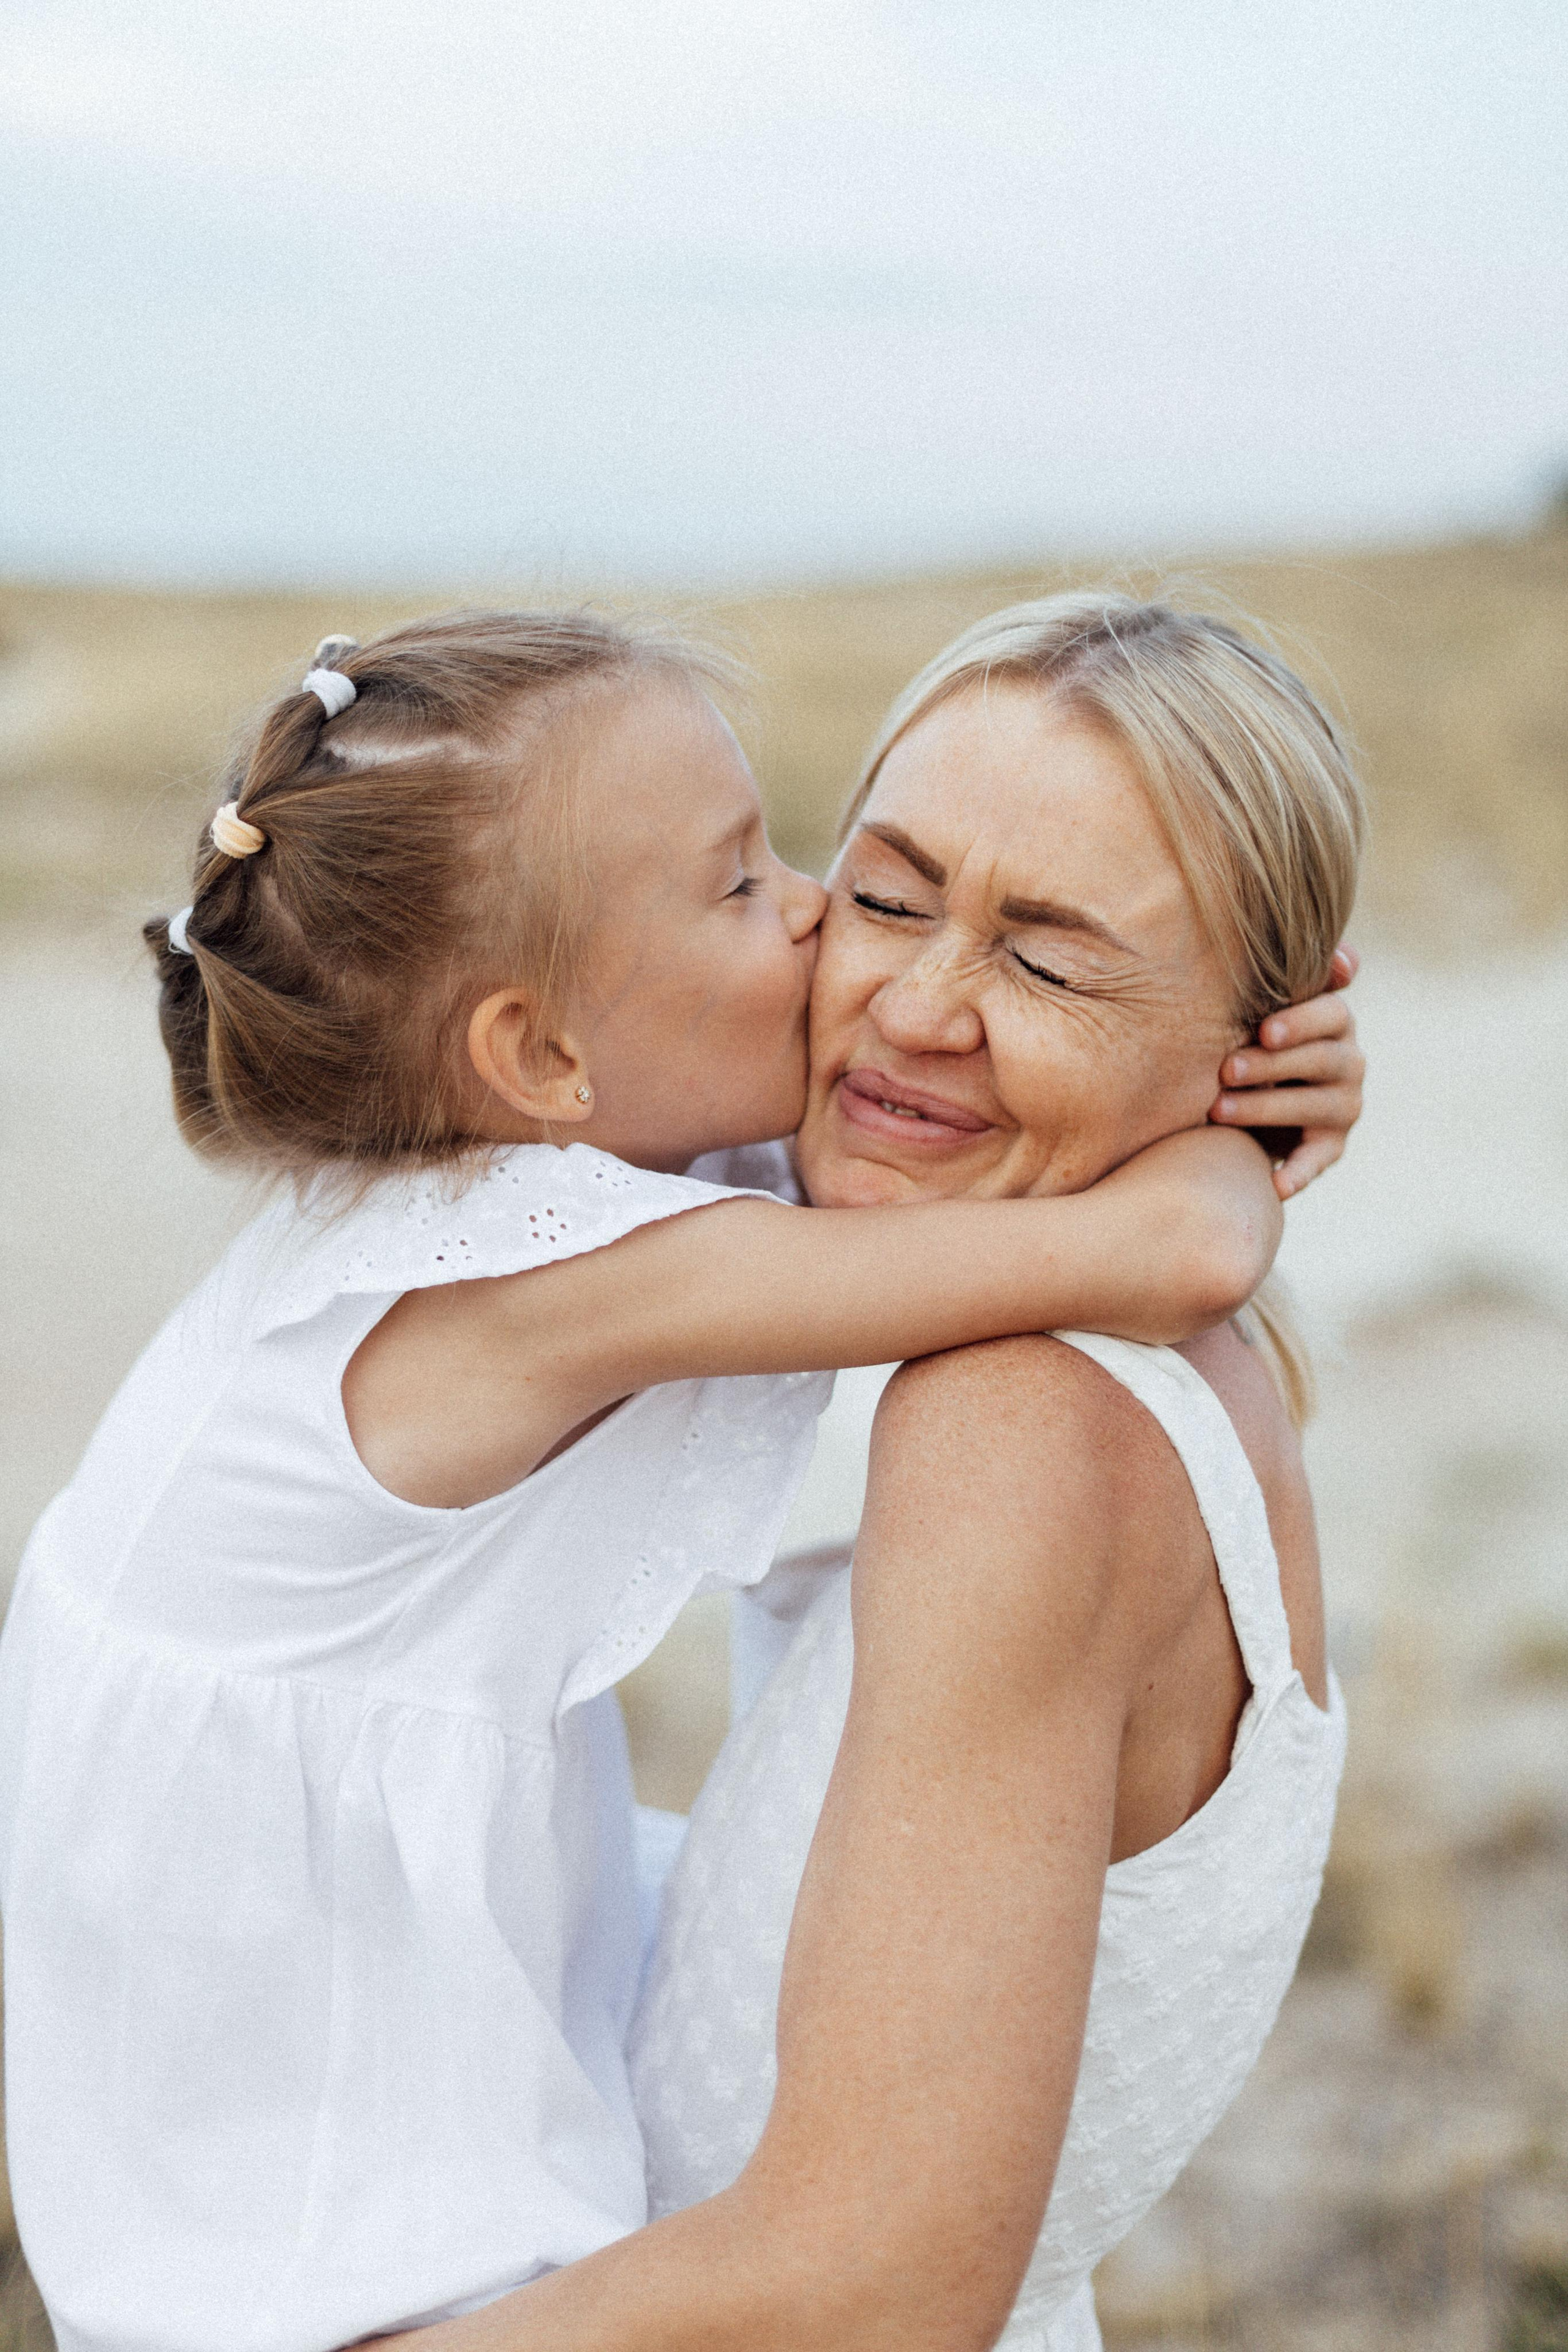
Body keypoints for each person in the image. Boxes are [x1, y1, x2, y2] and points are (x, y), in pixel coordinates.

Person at [0, 609, 1356, 2352]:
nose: (890, 993)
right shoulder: (561, 1240)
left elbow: (875, 2271)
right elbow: (1161, 1241)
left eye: (1053, 959)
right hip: (300, 2120)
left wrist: (1233, 1106)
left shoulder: (998, 1420)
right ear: (543, 1057)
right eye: (871, 893)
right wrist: (1221, 1160)